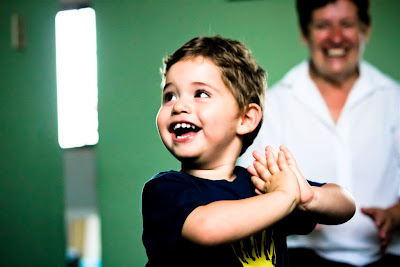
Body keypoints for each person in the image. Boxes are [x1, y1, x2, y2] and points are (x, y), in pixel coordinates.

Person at [141, 35, 356, 267]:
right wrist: (284, 197)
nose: (179, 106)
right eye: (169, 96)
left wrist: (308, 197)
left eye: (201, 94)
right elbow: (207, 228)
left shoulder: (262, 184)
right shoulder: (164, 191)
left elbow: (345, 205)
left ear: (245, 119)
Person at [238, 0, 400, 266]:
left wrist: (396, 214)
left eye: (346, 24)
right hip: (301, 256)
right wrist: (289, 209)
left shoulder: (395, 99)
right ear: (305, 33)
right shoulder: (275, 103)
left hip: (387, 256)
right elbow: (250, 183)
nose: (336, 37)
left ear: (365, 29)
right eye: (323, 25)